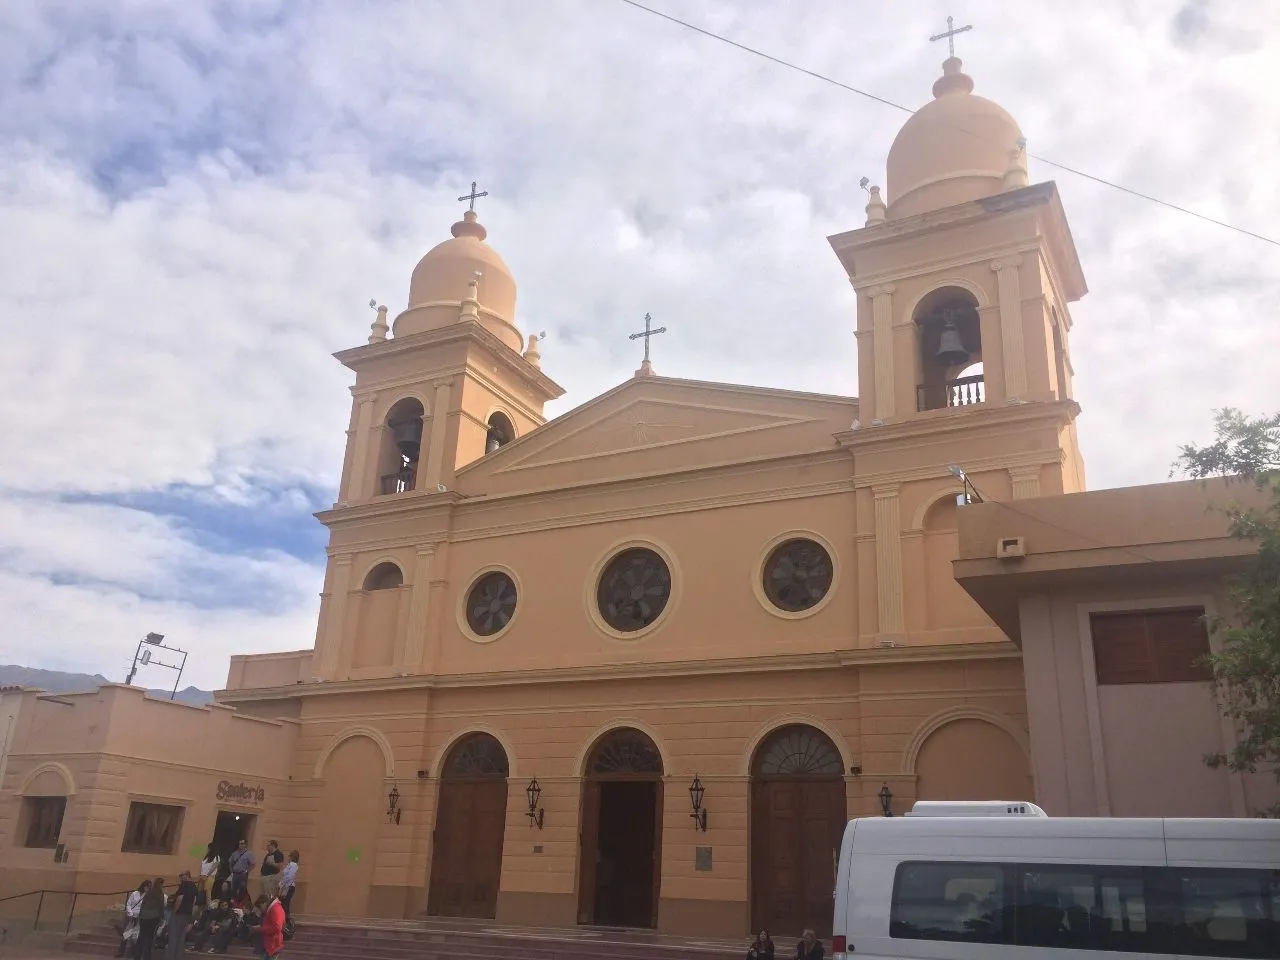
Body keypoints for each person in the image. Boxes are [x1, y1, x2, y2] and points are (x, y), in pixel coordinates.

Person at [166, 870, 198, 960]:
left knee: (173, 937)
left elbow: (180, 898)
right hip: (187, 914)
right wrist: (191, 916)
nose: (180, 877)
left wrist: (175, 911)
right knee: (181, 937)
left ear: (187, 875)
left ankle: (171, 957)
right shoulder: (194, 886)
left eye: (181, 875)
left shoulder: (184, 885)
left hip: (179, 914)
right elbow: (194, 902)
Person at [116, 880, 150, 958]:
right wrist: (130, 913)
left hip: (140, 917)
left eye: (148, 887)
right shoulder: (135, 894)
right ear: (143, 886)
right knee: (126, 935)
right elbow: (128, 904)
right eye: (146, 886)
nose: (147, 888)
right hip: (132, 916)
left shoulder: (147, 896)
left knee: (135, 936)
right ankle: (121, 952)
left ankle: (133, 953)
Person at [134, 878, 165, 960]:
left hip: (144, 917)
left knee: (141, 936)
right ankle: (147, 957)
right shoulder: (160, 893)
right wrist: (162, 918)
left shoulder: (149, 893)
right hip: (153, 917)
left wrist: (140, 916)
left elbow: (143, 905)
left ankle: (137, 956)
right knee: (149, 937)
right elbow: (161, 906)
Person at [277, 850, 299, 925]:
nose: (288, 857)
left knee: (285, 903)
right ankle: (283, 918)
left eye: (289, 856)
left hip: (289, 886)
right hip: (285, 886)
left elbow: (289, 876)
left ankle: (286, 920)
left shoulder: (294, 865)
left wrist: (282, 884)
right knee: (283, 903)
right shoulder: (289, 865)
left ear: (292, 857)